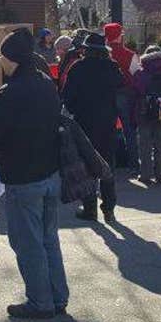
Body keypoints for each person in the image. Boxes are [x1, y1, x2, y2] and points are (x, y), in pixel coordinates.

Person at [0, 28, 66, 319]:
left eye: (2, 56)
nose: (0, 61)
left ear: (10, 58)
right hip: (50, 172)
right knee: (49, 239)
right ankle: (57, 296)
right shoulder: (46, 83)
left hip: (22, 177)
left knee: (29, 243)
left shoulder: (10, 93)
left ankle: (40, 302)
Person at [62, 32, 123, 221]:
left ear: (86, 50)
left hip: (84, 121)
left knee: (87, 164)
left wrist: (74, 110)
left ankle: (90, 209)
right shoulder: (113, 67)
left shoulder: (78, 68)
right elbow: (121, 90)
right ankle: (109, 208)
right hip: (108, 121)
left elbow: (67, 97)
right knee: (107, 164)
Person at [128, 48, 161, 184]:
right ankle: (160, 175)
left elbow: (134, 95)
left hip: (144, 110)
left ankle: (145, 175)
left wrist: (133, 115)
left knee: (145, 145)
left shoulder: (140, 74)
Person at [104, 23, 139, 173]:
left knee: (107, 131)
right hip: (126, 94)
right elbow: (137, 76)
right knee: (129, 131)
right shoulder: (130, 54)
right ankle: (134, 165)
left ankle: (108, 165)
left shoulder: (102, 55)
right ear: (119, 35)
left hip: (107, 95)